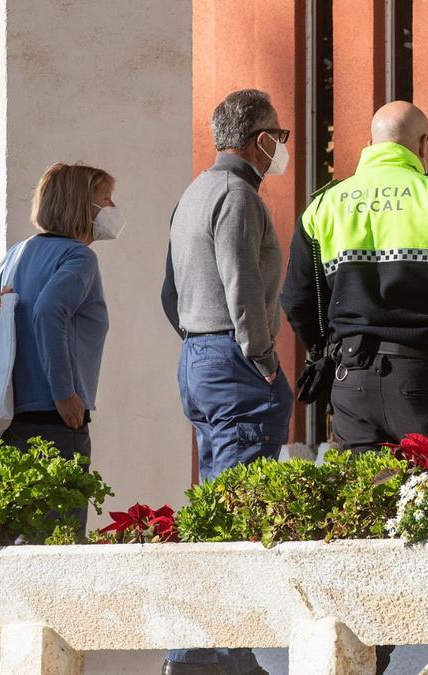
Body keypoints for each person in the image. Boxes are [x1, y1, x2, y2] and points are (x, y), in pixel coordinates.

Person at [281, 100, 428, 675]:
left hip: (352, 385)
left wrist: (330, 349)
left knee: (364, 518)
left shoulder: (324, 205)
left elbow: (295, 300)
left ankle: (366, 653)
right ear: (424, 146)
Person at [160, 89, 293, 675]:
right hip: (234, 357)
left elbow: (169, 293)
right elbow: (242, 284)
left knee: (221, 501)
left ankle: (225, 650)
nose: (282, 147)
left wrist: (199, 344)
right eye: (280, 136)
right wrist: (259, 356)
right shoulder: (239, 196)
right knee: (234, 510)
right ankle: (196, 653)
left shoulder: (192, 194)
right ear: (258, 138)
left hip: (199, 354)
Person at [0, 162, 115, 477]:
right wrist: (64, 393)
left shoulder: (18, 253)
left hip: (10, 414)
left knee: (24, 524)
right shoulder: (79, 257)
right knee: (61, 524)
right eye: (106, 200)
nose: (112, 208)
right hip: (57, 419)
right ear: (83, 206)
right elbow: (49, 310)